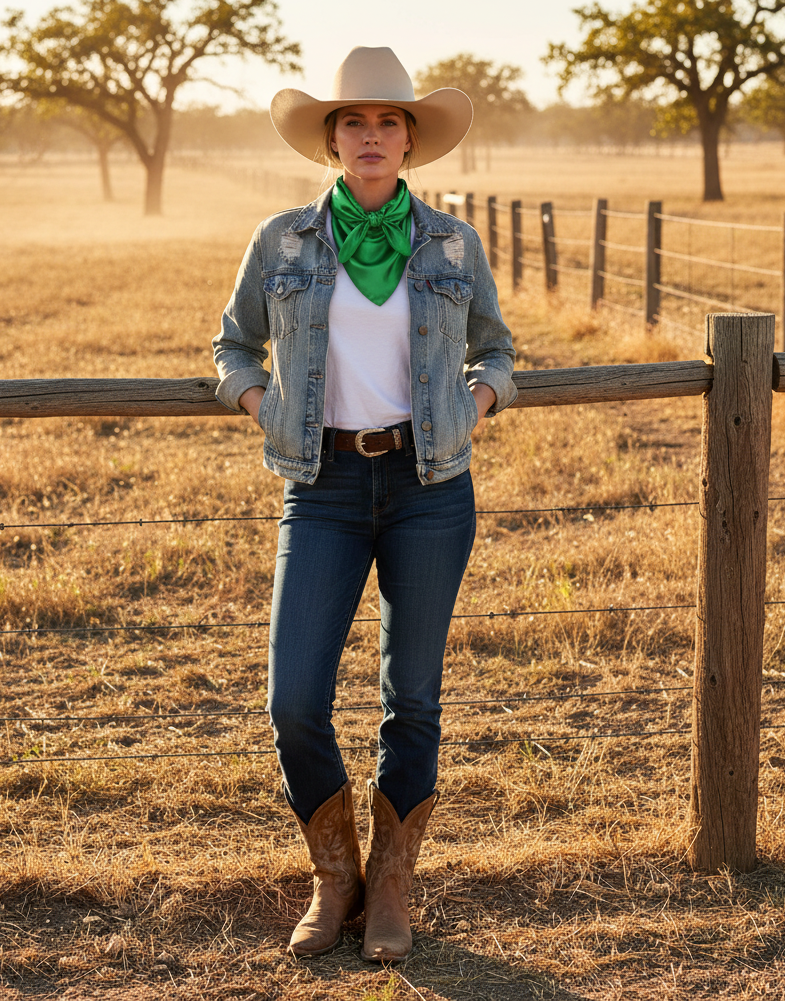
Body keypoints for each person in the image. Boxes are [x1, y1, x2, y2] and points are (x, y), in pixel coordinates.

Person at [212, 46, 517, 962]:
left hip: (431, 489)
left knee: (410, 699)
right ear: (331, 140)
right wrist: (258, 402)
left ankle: (391, 888)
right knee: (295, 698)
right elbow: (232, 346)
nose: (372, 135)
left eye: (389, 122)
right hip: (323, 488)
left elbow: (496, 352)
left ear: (412, 141)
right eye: (355, 122)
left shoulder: (454, 244)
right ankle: (332, 876)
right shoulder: (282, 242)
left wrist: (477, 403)